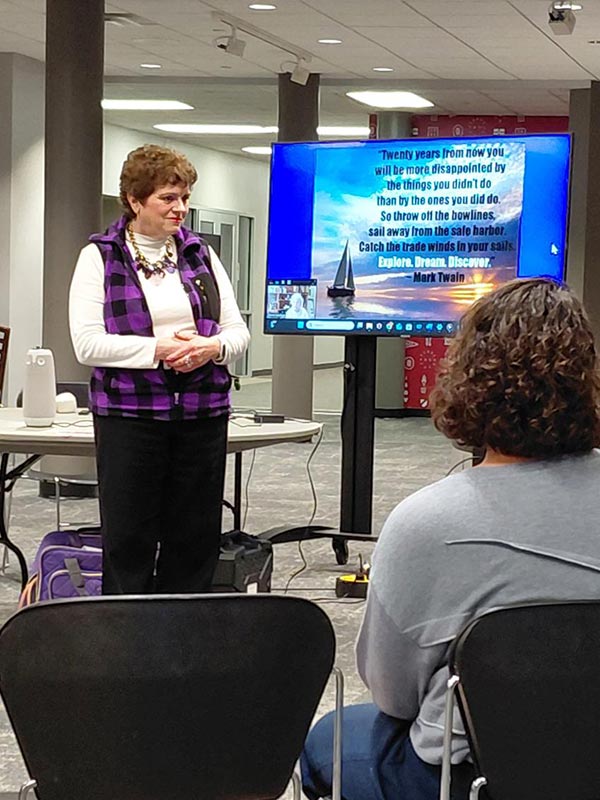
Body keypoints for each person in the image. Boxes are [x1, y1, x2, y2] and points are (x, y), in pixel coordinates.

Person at [301, 278, 600, 800]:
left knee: (328, 736)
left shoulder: (429, 523)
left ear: (469, 381)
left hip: (471, 777)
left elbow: (393, 695)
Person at [69, 144, 250, 594]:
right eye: (168, 198)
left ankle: (183, 647)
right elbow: (87, 344)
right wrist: (160, 349)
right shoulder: (101, 257)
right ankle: (127, 647)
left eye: (185, 198)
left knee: (194, 539)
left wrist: (211, 348)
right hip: (130, 418)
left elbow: (237, 334)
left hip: (202, 414)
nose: (180, 208)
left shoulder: (200, 254)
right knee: (129, 539)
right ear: (134, 200)